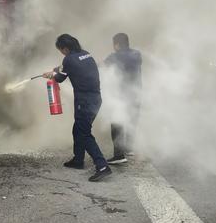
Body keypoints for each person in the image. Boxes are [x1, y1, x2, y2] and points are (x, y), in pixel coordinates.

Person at [43, 34, 112, 182]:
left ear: (65, 49)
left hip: (84, 101)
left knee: (84, 133)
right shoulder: (85, 54)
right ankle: (78, 160)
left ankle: (102, 166)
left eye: (61, 50)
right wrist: (57, 70)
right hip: (96, 99)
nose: (61, 53)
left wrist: (52, 74)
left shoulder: (68, 59)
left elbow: (60, 78)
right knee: (78, 129)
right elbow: (72, 67)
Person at [104, 33, 142, 164]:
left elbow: (101, 67)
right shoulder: (137, 54)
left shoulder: (114, 57)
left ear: (117, 44)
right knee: (131, 121)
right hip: (136, 94)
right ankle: (129, 148)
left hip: (121, 96)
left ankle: (119, 155)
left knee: (117, 123)